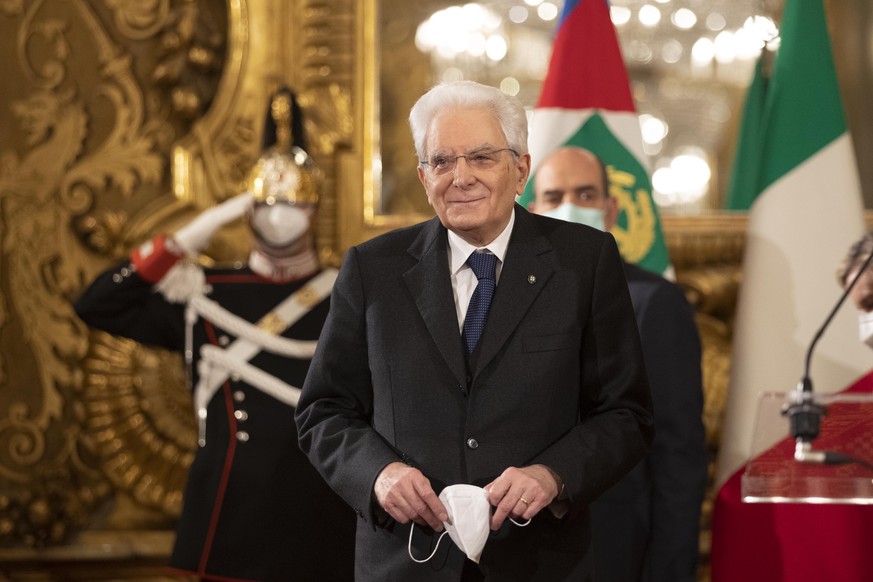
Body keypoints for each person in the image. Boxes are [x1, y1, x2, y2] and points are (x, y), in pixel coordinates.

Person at [295, 80, 654, 581]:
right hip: (408, 562)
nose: (460, 178)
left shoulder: (585, 262)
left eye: (482, 158)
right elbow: (323, 411)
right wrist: (378, 474)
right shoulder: (371, 270)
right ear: (424, 177)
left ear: (521, 169)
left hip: (537, 562)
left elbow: (625, 414)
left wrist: (554, 475)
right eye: (442, 162)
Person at [74, 89, 355, 582]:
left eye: (294, 203)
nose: (279, 215)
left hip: (325, 504)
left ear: (315, 210)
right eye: (265, 203)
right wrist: (187, 237)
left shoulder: (350, 291)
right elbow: (97, 306)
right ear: (244, 209)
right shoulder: (204, 292)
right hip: (234, 508)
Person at [530, 146, 707, 582]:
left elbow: (677, 456)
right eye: (554, 197)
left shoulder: (655, 303)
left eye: (585, 194)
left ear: (610, 211)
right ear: (532, 210)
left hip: (615, 549)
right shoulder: (504, 298)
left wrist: (668, 570)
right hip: (521, 549)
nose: (569, 207)